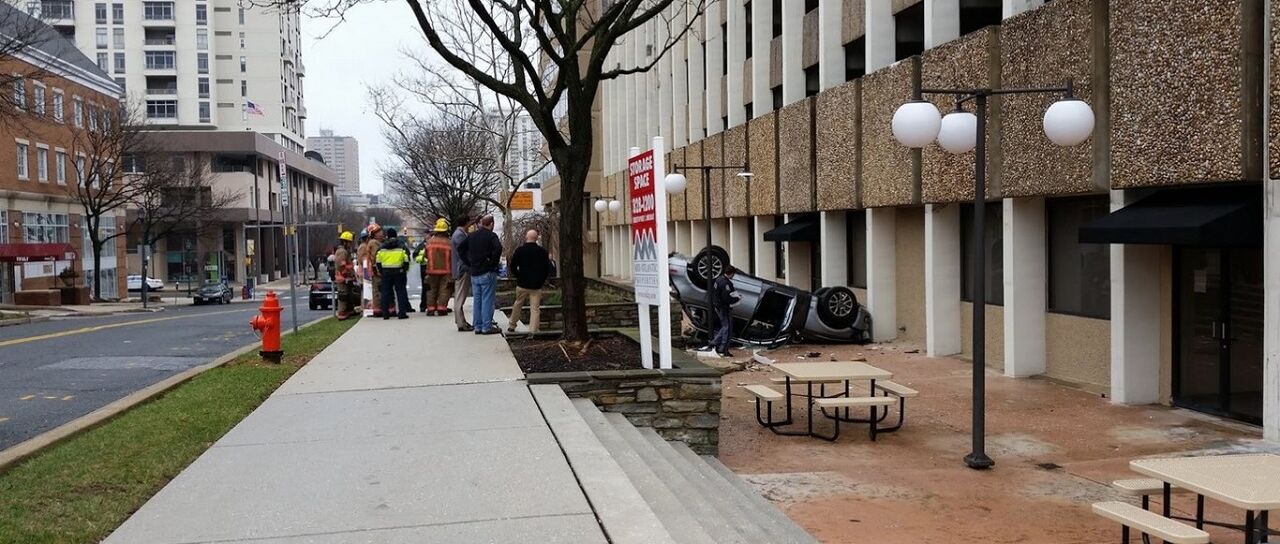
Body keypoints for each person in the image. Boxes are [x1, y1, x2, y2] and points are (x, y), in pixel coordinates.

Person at [458, 215, 502, 335]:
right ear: (491, 224)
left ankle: (477, 326)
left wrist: (469, 262)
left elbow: (460, 249)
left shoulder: (472, 236)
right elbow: (498, 248)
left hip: (474, 273)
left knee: (477, 300)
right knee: (487, 299)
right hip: (487, 272)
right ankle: (486, 327)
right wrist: (493, 262)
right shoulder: (492, 236)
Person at [507, 229, 550, 333]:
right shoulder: (542, 251)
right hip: (536, 285)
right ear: (536, 238)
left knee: (518, 304)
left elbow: (512, 266)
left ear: (526, 237)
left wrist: (518, 276)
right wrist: (541, 280)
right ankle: (533, 330)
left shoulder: (520, 250)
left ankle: (512, 325)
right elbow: (547, 268)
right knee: (535, 309)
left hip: (522, 283)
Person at [419, 219, 454, 316]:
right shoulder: (449, 243)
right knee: (445, 289)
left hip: (431, 269)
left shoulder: (429, 242)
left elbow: (425, 256)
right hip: (446, 270)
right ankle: (441, 308)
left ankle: (430, 309)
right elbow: (453, 257)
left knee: (431, 289)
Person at [375, 228, 411, 320]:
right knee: (401, 292)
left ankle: (385, 314)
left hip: (386, 273)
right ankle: (402, 313)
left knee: (385, 293)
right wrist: (404, 269)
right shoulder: (401, 245)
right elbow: (406, 259)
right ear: (396, 235)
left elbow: (378, 260)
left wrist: (381, 271)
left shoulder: (382, 246)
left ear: (387, 236)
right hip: (399, 272)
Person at [708, 266, 740, 357]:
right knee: (728, 328)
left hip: (718, 307)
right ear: (732, 273)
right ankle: (724, 348)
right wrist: (736, 299)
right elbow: (727, 298)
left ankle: (714, 342)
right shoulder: (726, 283)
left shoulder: (718, 280)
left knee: (725, 326)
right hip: (724, 308)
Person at [451, 216, 473, 331]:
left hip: (459, 268)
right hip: (462, 269)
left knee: (459, 296)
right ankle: (461, 323)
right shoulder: (459, 235)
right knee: (460, 297)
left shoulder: (458, 233)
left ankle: (461, 321)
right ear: (466, 223)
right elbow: (462, 252)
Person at [334, 231, 357, 320]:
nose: (350, 244)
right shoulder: (342, 252)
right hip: (343, 278)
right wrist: (347, 275)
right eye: (350, 242)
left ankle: (349, 310)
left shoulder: (346, 251)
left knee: (349, 295)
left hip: (346, 277)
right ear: (345, 242)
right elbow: (342, 266)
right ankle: (342, 313)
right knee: (343, 295)